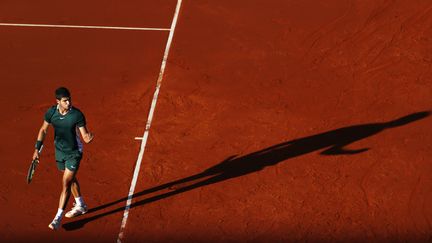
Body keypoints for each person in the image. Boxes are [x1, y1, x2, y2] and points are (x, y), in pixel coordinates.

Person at [32, 87, 94, 230]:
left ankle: (57, 218)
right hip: (60, 152)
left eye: (69, 99)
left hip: (74, 152)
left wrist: (88, 138)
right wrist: (37, 149)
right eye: (65, 100)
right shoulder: (51, 113)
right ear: (58, 101)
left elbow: (84, 135)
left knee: (66, 182)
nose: (69, 102)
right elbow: (43, 129)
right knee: (70, 179)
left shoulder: (77, 115)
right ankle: (81, 205)